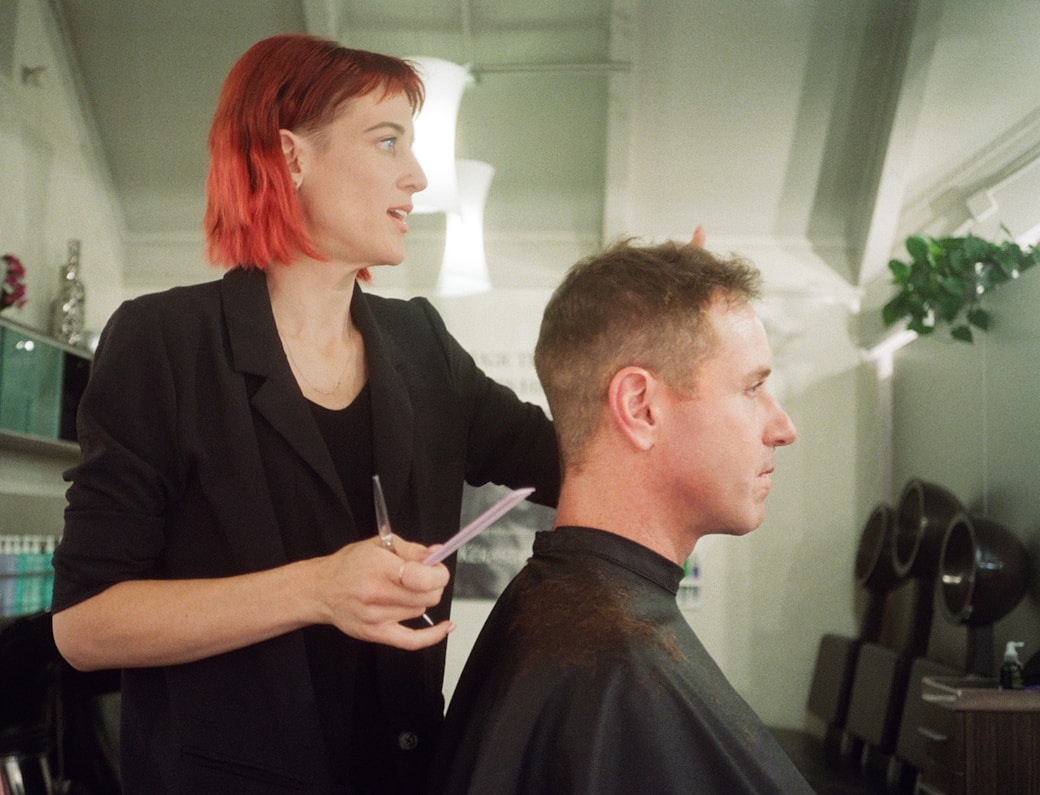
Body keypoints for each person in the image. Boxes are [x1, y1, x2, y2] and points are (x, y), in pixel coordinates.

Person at [49, 34, 560, 793]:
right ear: (290, 158)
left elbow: (566, 460)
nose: (418, 177)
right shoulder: (165, 342)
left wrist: (664, 337)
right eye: (387, 141)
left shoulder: (422, 344)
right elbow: (85, 626)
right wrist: (319, 589)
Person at [429, 239, 813, 794]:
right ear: (639, 407)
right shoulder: (612, 671)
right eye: (752, 387)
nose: (783, 428)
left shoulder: (566, 622)